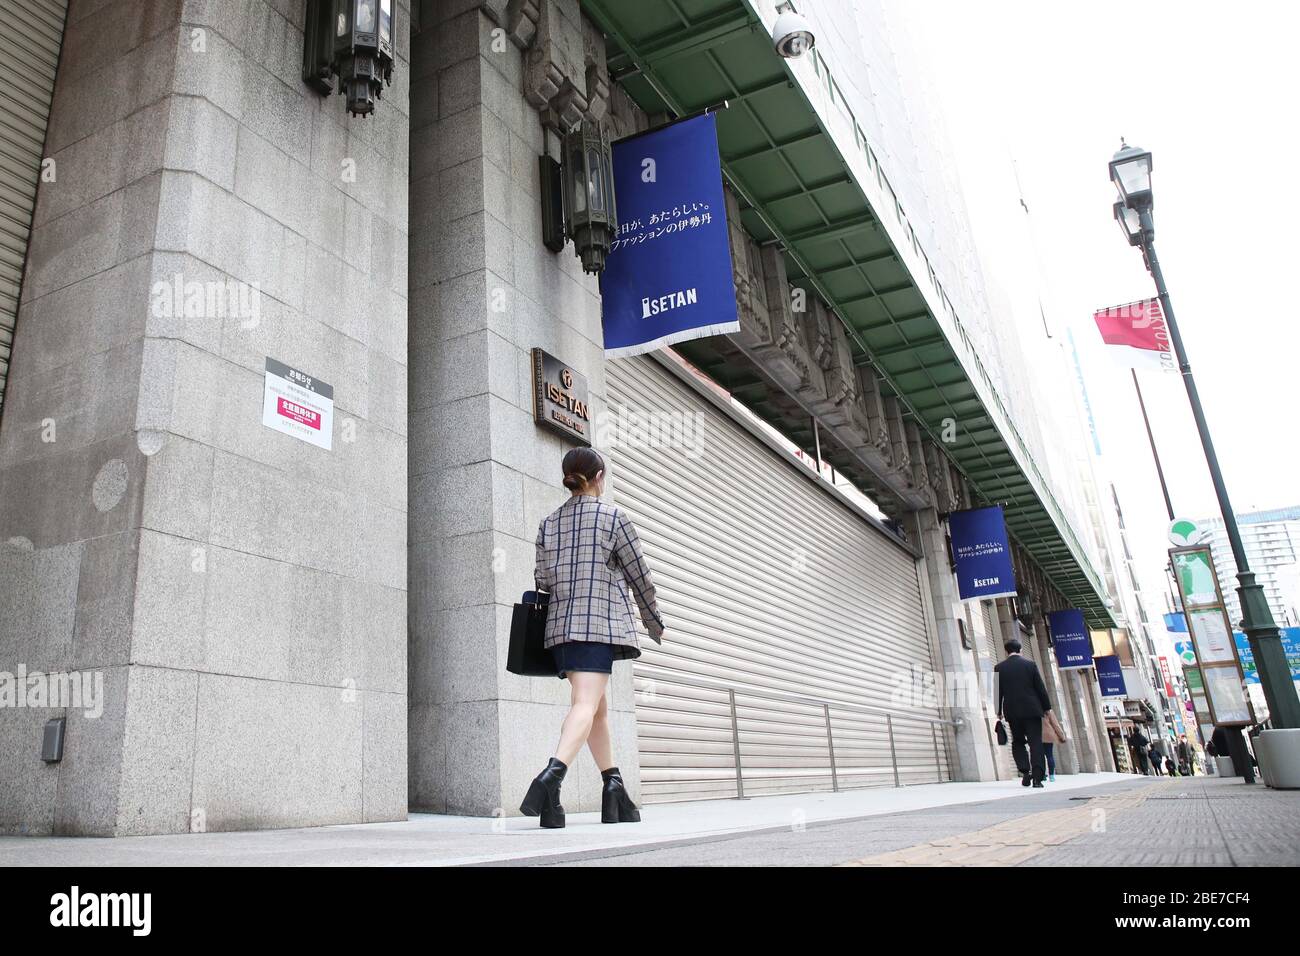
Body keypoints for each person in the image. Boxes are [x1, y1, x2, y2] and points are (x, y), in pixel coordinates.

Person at [519, 448, 664, 829]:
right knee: (586, 704)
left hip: (560, 630)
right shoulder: (614, 518)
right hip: (595, 626)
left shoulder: (548, 524)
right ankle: (549, 779)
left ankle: (611, 787)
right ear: (600, 476)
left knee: (595, 708)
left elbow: (543, 582)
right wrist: (653, 622)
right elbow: (640, 576)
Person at [993, 638, 1054, 788]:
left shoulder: (999, 667)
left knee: (1018, 741)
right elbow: (1040, 689)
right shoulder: (1030, 665)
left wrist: (998, 711)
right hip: (1032, 710)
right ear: (1021, 650)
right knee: (1035, 743)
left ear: (1006, 652)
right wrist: (1047, 708)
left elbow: (996, 691)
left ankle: (1025, 772)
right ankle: (1038, 778)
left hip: (1012, 711)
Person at [1041, 708, 1067, 783]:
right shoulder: (1048, 711)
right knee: (1049, 755)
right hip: (1049, 735)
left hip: (1038, 736)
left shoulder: (1034, 709)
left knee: (1040, 756)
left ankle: (1042, 775)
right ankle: (1051, 776)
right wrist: (1062, 736)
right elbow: (1055, 725)